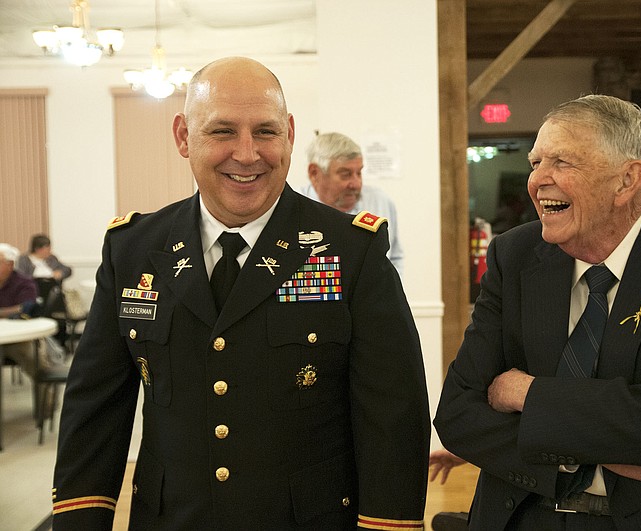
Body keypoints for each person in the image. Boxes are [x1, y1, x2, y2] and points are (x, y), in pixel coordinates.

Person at [52, 57, 430, 530]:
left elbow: (392, 416)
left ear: (290, 134)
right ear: (183, 137)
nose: (248, 154)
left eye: (266, 132)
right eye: (222, 131)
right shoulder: (134, 249)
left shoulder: (352, 251)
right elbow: (95, 411)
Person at [434, 95, 641, 530]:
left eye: (562, 162)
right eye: (536, 162)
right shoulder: (514, 255)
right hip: (525, 514)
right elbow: (458, 416)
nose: (537, 180)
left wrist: (524, 393)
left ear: (627, 179)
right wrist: (594, 455)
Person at [299, 132, 405, 276]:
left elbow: (395, 259)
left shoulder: (380, 202)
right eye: (345, 175)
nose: (356, 184)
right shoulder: (293, 208)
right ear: (315, 173)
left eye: (359, 173)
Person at [0, 243, 43, 375]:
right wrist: (10, 310)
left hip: (18, 339)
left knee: (38, 363)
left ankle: (45, 394)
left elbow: (25, 308)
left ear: (10, 265)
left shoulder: (24, 283)